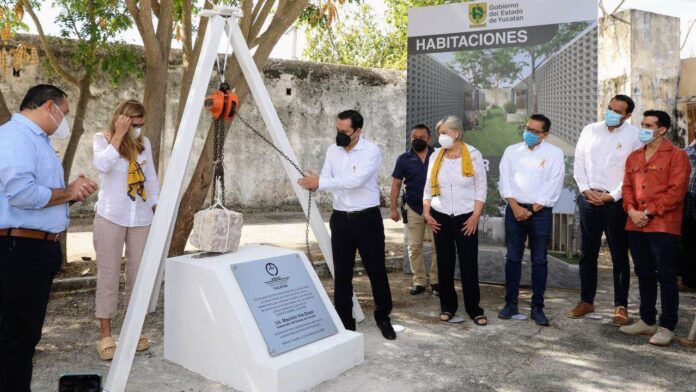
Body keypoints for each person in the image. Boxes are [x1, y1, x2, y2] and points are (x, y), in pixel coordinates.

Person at [0, 84, 98, 391]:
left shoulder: (36, 140)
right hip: (21, 250)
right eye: (65, 113)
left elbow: (39, 198)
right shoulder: (17, 137)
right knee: (15, 339)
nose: (64, 120)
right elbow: (21, 194)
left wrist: (70, 194)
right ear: (49, 107)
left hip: (31, 249)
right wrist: (67, 192)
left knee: (22, 337)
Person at [298, 110, 396, 340]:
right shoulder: (333, 151)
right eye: (337, 130)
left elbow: (356, 181)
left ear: (358, 131)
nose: (339, 135)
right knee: (341, 273)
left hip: (367, 220)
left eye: (345, 132)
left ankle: (383, 316)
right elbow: (325, 178)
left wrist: (322, 182)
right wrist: (314, 184)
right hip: (341, 219)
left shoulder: (371, 151)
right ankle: (345, 322)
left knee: (376, 271)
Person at [92, 100, 159, 360]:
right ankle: (105, 334)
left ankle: (134, 330)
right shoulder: (103, 139)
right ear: (122, 120)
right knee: (108, 274)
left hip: (140, 217)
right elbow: (102, 165)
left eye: (142, 124)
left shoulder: (146, 144)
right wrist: (119, 136)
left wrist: (157, 207)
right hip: (111, 215)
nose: (139, 129)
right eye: (135, 124)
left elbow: (151, 178)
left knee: (138, 276)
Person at [619, 110, 690, 346]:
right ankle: (647, 319)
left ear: (662, 129)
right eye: (642, 123)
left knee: (666, 275)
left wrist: (647, 212)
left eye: (648, 125)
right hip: (635, 223)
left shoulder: (677, 156)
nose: (643, 128)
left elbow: (676, 192)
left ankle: (667, 326)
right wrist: (631, 211)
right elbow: (627, 187)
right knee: (644, 272)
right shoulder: (634, 156)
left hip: (662, 224)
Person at [569, 95, 642, 325]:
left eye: (617, 111)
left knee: (619, 256)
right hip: (588, 199)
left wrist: (612, 195)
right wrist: (584, 190)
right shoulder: (590, 130)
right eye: (609, 108)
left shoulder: (634, 136)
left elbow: (632, 172)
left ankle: (620, 306)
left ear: (628, 115)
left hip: (615, 202)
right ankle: (586, 301)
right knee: (587, 253)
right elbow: (578, 162)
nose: (611, 113)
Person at [497, 114, 565, 326]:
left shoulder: (554, 153)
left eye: (535, 131)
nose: (529, 133)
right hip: (514, 210)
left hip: (540, 213)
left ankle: (537, 307)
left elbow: (555, 184)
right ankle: (511, 303)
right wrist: (516, 207)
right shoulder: (511, 151)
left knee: (539, 260)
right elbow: (504, 180)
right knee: (513, 258)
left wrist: (533, 209)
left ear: (545, 134)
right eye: (528, 129)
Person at [422, 116, 487, 326]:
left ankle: (474, 309)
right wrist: (427, 211)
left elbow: (481, 189)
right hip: (440, 215)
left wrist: (475, 217)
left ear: (457, 133)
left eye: (445, 133)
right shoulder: (435, 156)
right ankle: (447, 306)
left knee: (469, 264)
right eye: (439, 133)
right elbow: (427, 186)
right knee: (444, 263)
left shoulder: (474, 155)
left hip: (466, 216)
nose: (441, 137)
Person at [390, 124, 439, 296]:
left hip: (437, 209)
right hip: (413, 208)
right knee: (414, 247)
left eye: (422, 137)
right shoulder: (404, 158)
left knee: (438, 247)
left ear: (429, 139)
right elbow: (396, 184)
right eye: (414, 137)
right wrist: (393, 208)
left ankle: (436, 281)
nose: (417, 140)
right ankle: (419, 281)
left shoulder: (439, 155)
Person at [678, 139, 696, 292]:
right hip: (688, 207)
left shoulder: (685, 152)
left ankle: (689, 280)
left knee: (689, 246)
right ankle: (688, 280)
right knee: (689, 246)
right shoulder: (686, 152)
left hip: (688, 207)